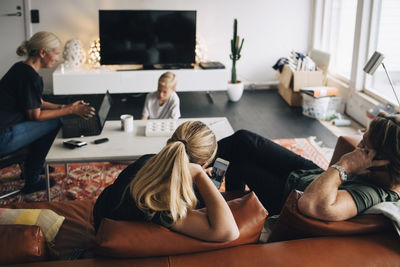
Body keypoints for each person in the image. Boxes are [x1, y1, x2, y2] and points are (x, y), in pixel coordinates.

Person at [216, 112, 400, 221]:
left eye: (365, 146)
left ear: (385, 161)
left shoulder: (375, 193)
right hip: (312, 175)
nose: (358, 147)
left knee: (240, 163)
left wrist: (346, 164)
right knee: (243, 139)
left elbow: (311, 204)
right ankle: (191, 162)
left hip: (289, 195)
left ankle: (226, 207)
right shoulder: (380, 174)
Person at [93, 121, 239, 242]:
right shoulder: (164, 202)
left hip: (102, 212)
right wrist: (200, 176)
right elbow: (229, 232)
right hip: (108, 232)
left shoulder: (146, 160)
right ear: (203, 165)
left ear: (168, 143)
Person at [0, 31, 95, 194]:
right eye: (56, 53)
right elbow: (35, 115)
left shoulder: (20, 69)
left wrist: (63, 107)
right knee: (55, 122)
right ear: (42, 52)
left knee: (54, 118)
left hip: (6, 129)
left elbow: (38, 103)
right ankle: (33, 177)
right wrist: (70, 110)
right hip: (3, 137)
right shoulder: (31, 77)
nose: (57, 58)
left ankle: (33, 164)